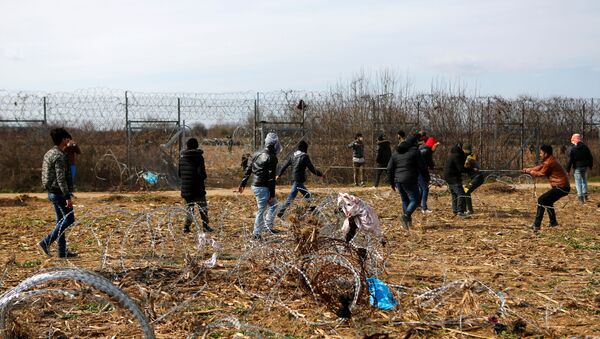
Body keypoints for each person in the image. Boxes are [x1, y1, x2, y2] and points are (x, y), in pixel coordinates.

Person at [39, 128, 77, 258]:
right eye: (68, 138)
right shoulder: (59, 156)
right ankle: (46, 241)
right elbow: (61, 178)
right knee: (70, 219)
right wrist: (67, 196)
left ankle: (61, 251)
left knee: (61, 220)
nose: (70, 140)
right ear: (63, 140)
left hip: (52, 192)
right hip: (59, 193)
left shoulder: (49, 153)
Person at [237, 132, 282, 240]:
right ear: (275, 144)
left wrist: (242, 184)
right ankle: (256, 234)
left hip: (256, 185)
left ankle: (267, 226)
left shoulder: (257, 153)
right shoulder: (272, 157)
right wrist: (272, 194)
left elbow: (248, 169)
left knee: (274, 205)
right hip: (263, 186)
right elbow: (271, 178)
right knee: (262, 210)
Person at [522, 145, 570, 232]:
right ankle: (553, 222)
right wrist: (529, 169)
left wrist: (531, 172)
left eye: (541, 153)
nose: (540, 154)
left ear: (546, 153)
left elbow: (541, 173)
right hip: (563, 187)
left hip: (561, 187)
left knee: (541, 200)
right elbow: (540, 167)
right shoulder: (549, 160)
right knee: (548, 201)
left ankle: (536, 225)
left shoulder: (549, 162)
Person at [388, 135, 428, 229]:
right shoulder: (414, 152)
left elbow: (389, 168)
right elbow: (422, 167)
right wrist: (426, 178)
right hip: (409, 179)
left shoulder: (395, 154)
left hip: (398, 181)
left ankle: (407, 224)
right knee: (416, 199)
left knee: (405, 200)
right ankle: (406, 215)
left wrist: (392, 182)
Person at [276, 140, 324, 217]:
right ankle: (281, 211)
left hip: (295, 180)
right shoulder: (304, 156)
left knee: (307, 194)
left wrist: (279, 174)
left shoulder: (293, 155)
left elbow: (284, 165)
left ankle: (311, 210)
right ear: (305, 148)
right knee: (291, 197)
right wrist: (320, 174)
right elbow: (311, 168)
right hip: (298, 180)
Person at [179, 137, 212, 233]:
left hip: (186, 190)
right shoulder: (199, 158)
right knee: (203, 209)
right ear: (196, 146)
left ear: (187, 146)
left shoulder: (181, 158)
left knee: (189, 210)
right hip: (198, 189)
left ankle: (186, 227)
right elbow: (201, 174)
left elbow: (179, 174)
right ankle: (205, 227)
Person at [565, 133, 593, 203]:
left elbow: (570, 160)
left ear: (573, 139)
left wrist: (567, 170)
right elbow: (590, 157)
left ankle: (580, 198)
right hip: (585, 167)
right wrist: (590, 165)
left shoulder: (572, 149)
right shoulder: (585, 147)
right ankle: (585, 196)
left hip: (577, 168)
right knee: (584, 181)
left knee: (578, 182)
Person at [444, 143, 468, 217]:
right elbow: (461, 169)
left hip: (448, 177)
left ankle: (455, 210)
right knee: (461, 194)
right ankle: (460, 212)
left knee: (454, 194)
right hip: (453, 177)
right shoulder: (457, 156)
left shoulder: (452, 154)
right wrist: (471, 169)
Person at [462, 143, 485, 214]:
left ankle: (469, 210)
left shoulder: (470, 157)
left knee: (466, 191)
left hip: (478, 177)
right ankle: (465, 208)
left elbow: (466, 166)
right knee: (465, 190)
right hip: (474, 177)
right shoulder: (469, 156)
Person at [417, 134, 435, 214]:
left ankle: (418, 204)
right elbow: (429, 162)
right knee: (425, 189)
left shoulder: (420, 148)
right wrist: (432, 166)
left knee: (421, 188)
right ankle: (424, 208)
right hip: (421, 171)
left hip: (415, 171)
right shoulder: (428, 150)